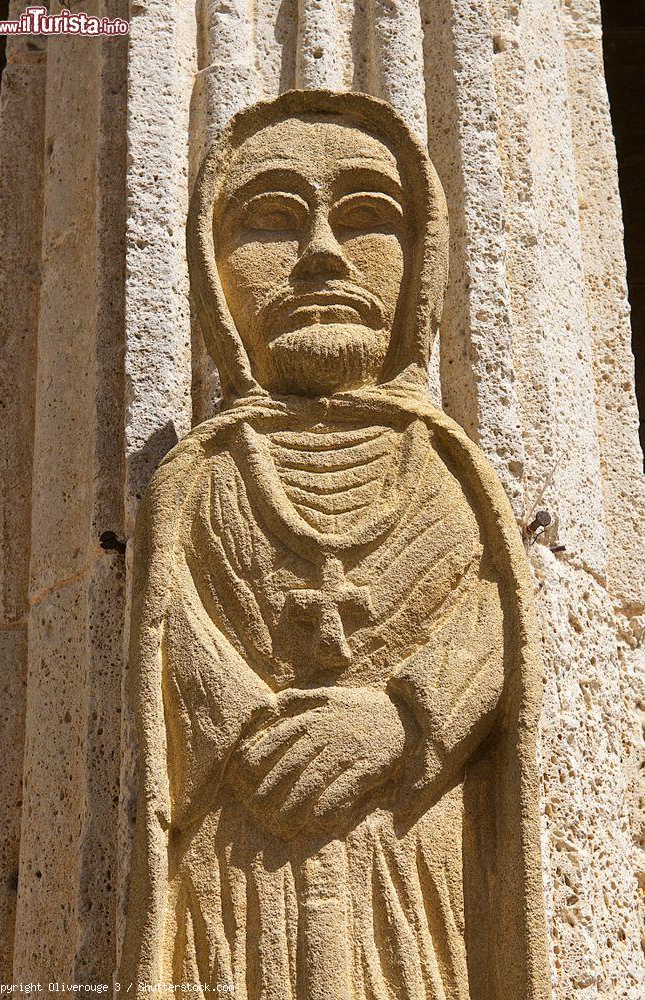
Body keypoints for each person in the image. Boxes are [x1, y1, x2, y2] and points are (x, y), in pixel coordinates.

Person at [120, 90, 550, 1000]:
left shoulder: (446, 471)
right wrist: (253, 733)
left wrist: (401, 720)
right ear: (211, 266)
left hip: (414, 862)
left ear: (422, 259)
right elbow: (172, 644)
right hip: (244, 862)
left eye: (366, 218)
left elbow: (496, 620)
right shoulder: (199, 477)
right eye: (272, 219)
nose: (322, 254)